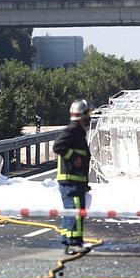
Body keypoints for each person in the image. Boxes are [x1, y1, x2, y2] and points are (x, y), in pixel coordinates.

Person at [53, 99, 93, 255]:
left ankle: (72, 241)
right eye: (88, 115)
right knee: (74, 212)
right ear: (82, 115)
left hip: (77, 182)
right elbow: (58, 146)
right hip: (70, 182)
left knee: (76, 211)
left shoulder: (79, 133)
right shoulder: (72, 131)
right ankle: (72, 244)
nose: (90, 118)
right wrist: (73, 156)